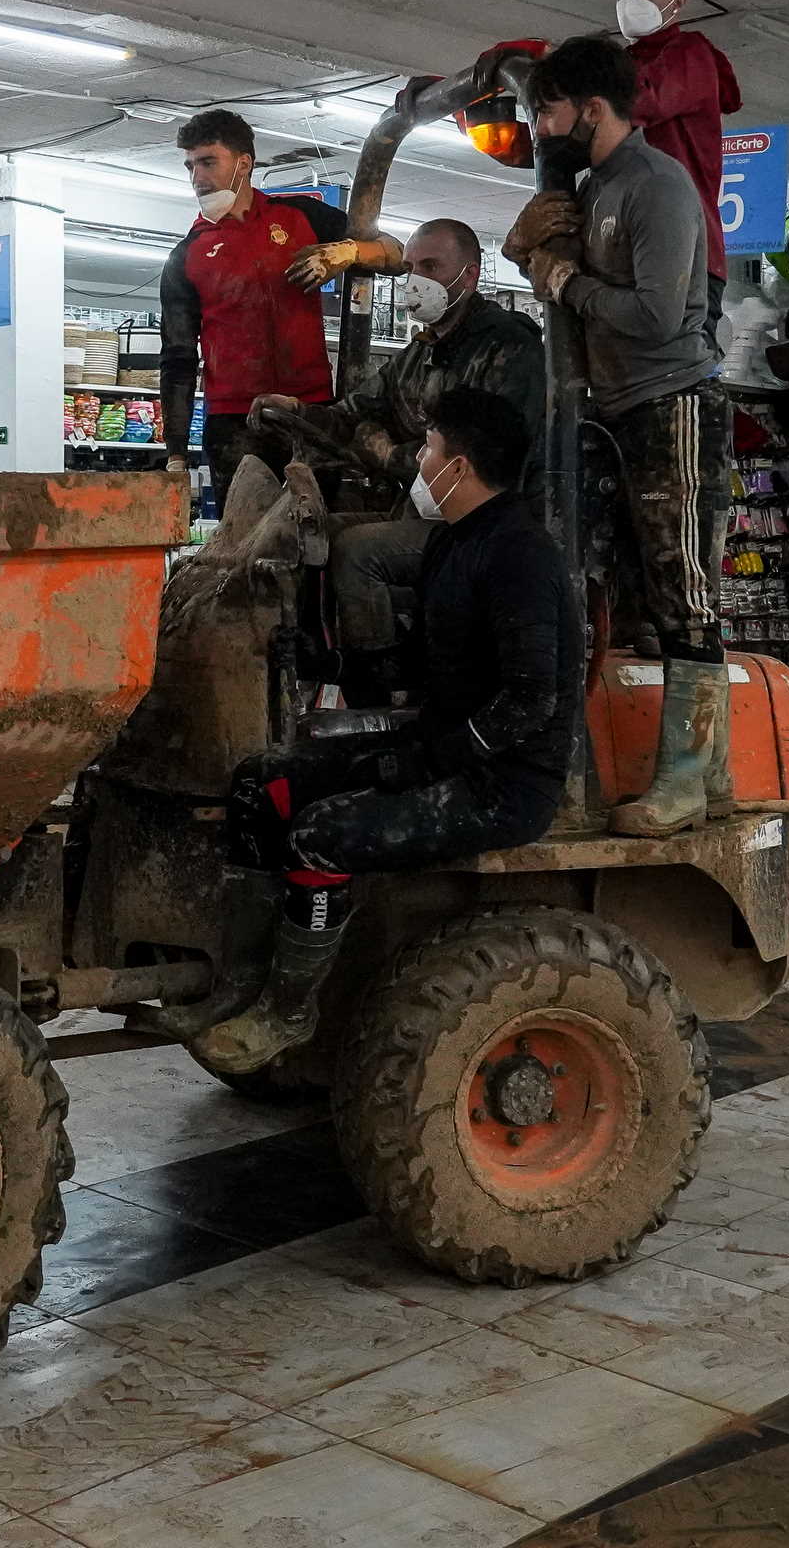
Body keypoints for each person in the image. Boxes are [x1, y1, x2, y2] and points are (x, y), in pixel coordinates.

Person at [193, 387, 579, 1072]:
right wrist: (330, 662)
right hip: (438, 749)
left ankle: (288, 1014)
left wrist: (423, 763)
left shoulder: (521, 555)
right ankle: (242, 986)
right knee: (261, 784)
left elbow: (529, 703)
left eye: (429, 449)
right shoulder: (452, 545)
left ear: (458, 467)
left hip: (502, 784)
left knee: (320, 833)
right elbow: (414, 666)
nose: (420, 462)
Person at [510, 33, 730, 833]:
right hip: (623, 407)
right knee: (646, 594)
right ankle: (715, 775)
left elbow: (655, 315)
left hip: (674, 403)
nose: (539, 126)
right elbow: (551, 268)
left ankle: (684, 782)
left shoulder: (655, 185)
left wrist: (567, 283)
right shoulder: (595, 185)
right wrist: (536, 253)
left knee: (684, 595)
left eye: (547, 109)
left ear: (591, 110)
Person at [246, 219, 545, 697]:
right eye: (409, 268)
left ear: (468, 275)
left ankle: (378, 684)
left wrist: (391, 454)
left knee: (358, 551)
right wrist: (299, 412)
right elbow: (357, 412)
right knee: (311, 535)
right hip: (427, 509)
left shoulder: (507, 345)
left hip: (483, 526)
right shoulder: (419, 353)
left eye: (431, 266)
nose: (415, 279)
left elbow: (492, 451)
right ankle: (314, 661)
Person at [157, 109, 403, 486]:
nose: (197, 178)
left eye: (208, 162)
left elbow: (397, 254)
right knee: (246, 538)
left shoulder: (300, 216)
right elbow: (178, 358)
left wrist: (347, 252)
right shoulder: (186, 255)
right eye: (190, 166)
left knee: (319, 528)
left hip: (310, 412)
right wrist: (175, 453)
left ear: (243, 164)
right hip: (234, 423)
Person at [611, 0, 742, 314]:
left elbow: (636, 105)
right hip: (631, 250)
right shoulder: (622, 65)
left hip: (686, 256)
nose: (632, 0)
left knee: (675, 370)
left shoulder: (691, 55)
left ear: (679, 1)